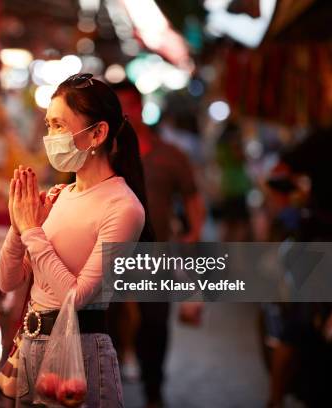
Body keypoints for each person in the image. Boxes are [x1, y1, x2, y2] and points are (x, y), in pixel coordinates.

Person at [0, 73, 154, 407]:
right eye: (49, 125)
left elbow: (76, 297)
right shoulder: (60, 196)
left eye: (60, 126)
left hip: (80, 354)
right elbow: (8, 281)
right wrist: (18, 226)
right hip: (33, 346)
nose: (51, 136)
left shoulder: (123, 207)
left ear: (98, 133)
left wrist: (32, 232)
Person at [112, 82, 205, 408]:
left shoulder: (170, 155)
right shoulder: (103, 154)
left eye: (127, 107)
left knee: (154, 323)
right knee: (108, 321)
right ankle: (110, 379)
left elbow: (192, 197)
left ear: (139, 108)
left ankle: (154, 390)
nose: (123, 115)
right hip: (109, 253)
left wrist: (194, 233)